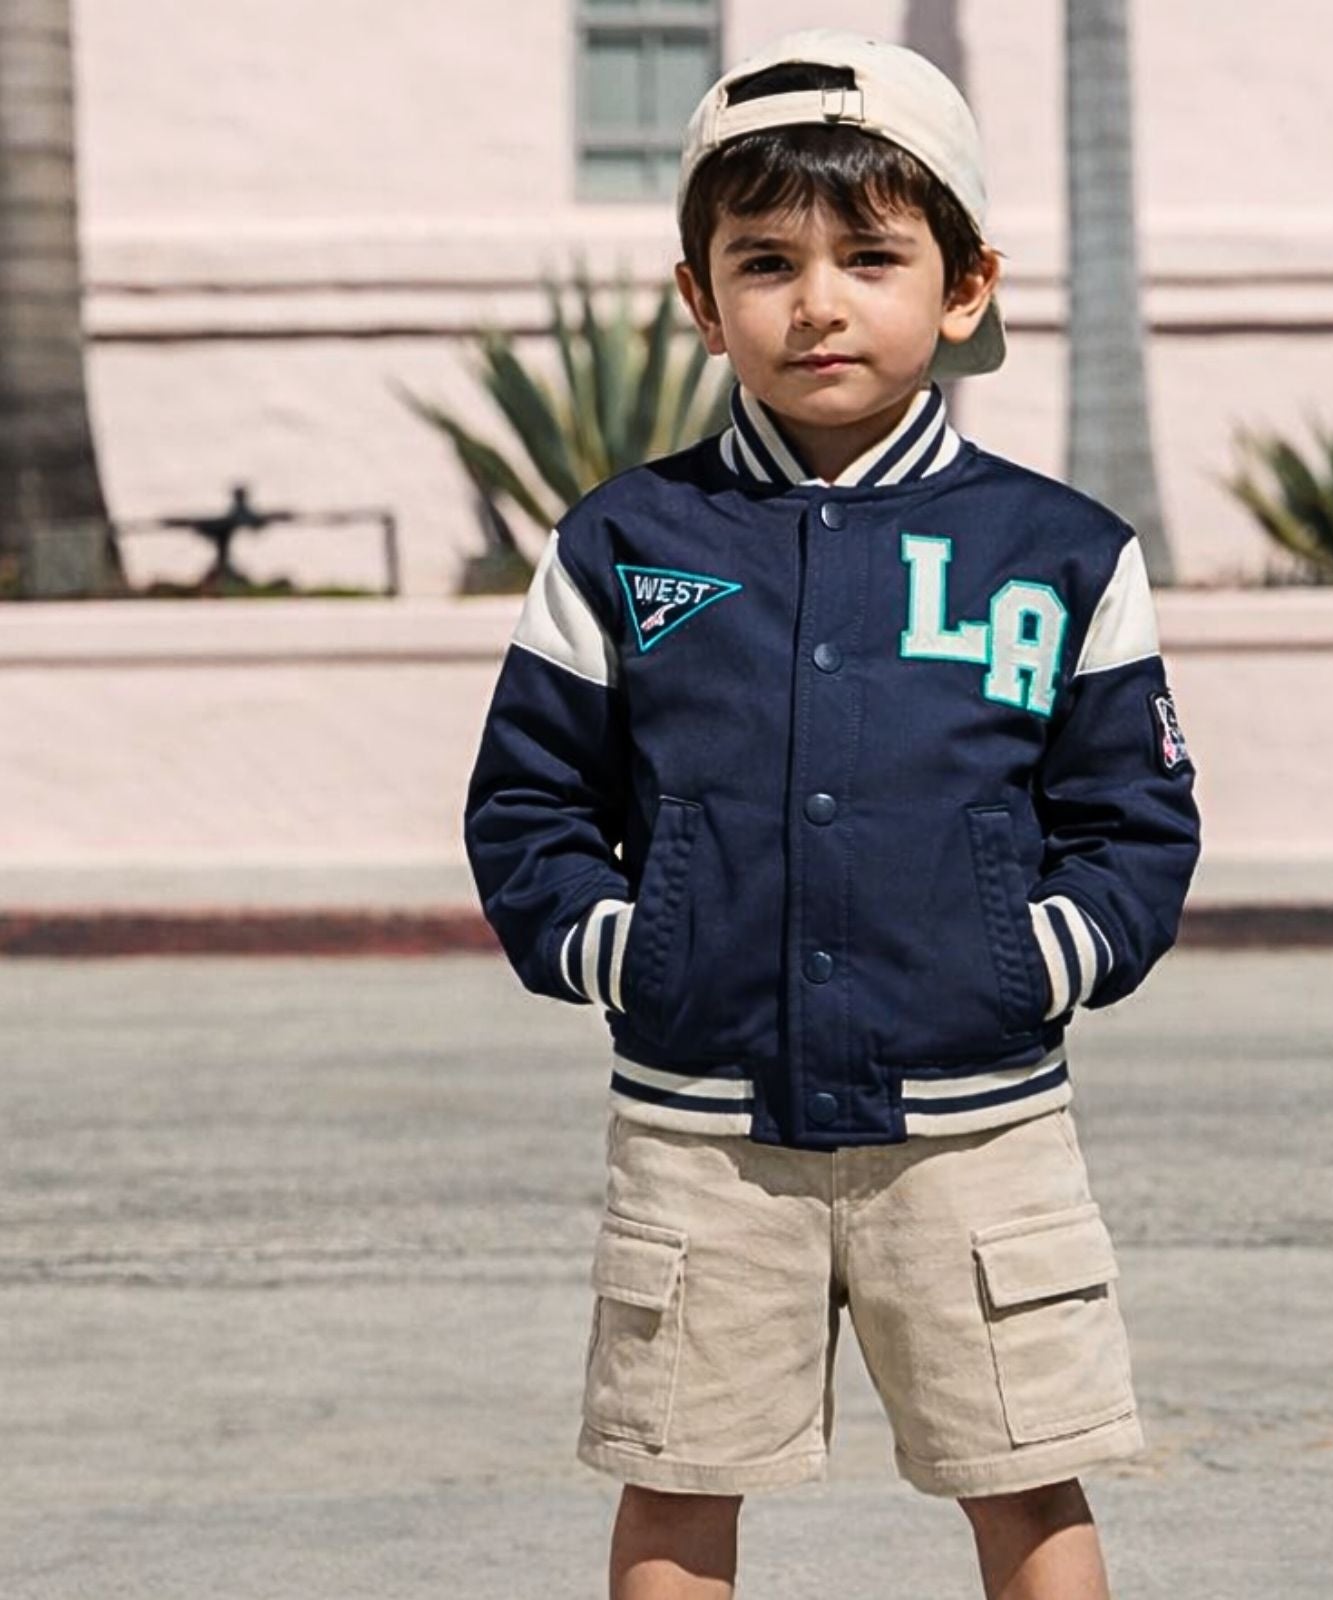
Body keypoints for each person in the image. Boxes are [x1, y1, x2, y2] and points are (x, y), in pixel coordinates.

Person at [464, 28, 1200, 1600]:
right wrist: (636, 956)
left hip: (981, 1131)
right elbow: (528, 808)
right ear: (697, 296)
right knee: (678, 1484)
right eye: (764, 260)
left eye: (871, 255)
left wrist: (1024, 964)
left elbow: (1134, 824)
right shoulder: (625, 544)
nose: (817, 301)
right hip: (700, 1136)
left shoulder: (1059, 552)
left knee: (1027, 1482)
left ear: (963, 285)